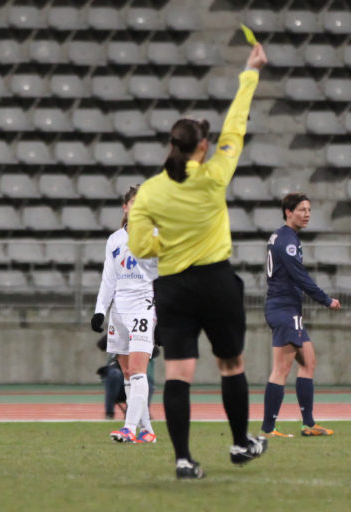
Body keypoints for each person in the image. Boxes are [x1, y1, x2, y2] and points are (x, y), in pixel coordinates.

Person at [127, 43, 269, 480]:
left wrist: (167, 243)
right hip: (215, 282)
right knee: (231, 364)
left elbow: (140, 247)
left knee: (178, 374)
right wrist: (250, 73)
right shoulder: (214, 176)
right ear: (203, 146)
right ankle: (241, 442)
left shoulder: (149, 192)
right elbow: (236, 126)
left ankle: (184, 460)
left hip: (173, 287)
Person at [260, 193, 341, 438]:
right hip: (284, 308)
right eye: (301, 210)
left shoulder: (282, 236)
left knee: (308, 362)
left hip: (287, 308)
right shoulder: (288, 241)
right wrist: (326, 300)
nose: (307, 215)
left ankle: (308, 424)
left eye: (309, 210)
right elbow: (300, 277)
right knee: (281, 368)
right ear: (288, 212)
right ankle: (269, 428)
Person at [91, 185, 158, 444]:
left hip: (144, 306)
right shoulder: (115, 240)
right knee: (128, 373)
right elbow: (109, 279)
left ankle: (129, 428)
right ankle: (147, 431)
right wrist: (100, 310)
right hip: (119, 311)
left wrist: (163, 314)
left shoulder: (156, 236)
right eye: (134, 203)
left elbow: (165, 277)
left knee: (139, 371)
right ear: (125, 207)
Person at [95, 334, 157, 420]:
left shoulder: (141, 335)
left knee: (144, 379)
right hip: (119, 385)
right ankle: (109, 413)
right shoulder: (119, 333)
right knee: (114, 374)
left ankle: (142, 413)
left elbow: (155, 351)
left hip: (136, 379)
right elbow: (101, 345)